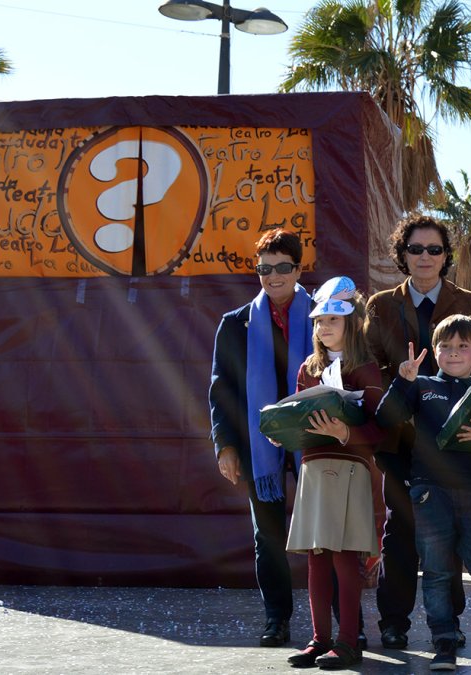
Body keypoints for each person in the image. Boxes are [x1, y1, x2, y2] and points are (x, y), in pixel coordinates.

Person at [366, 214, 471, 650]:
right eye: (416, 249)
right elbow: (369, 367)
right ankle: (393, 622)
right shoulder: (379, 304)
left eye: (434, 249)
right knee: (399, 533)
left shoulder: (467, 301)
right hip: (398, 438)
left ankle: (446, 625)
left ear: (446, 255)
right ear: (402, 255)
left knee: (445, 535)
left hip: (448, 439)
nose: (425, 257)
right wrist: (398, 382)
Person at [374, 315, 471, 671]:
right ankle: (444, 644)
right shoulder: (421, 386)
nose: (453, 353)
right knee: (437, 572)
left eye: (463, 347)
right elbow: (385, 418)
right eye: (445, 347)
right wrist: (402, 382)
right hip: (430, 493)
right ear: (434, 351)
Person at [208, 228, 312, 647]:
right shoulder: (236, 324)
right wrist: (226, 445)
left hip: (314, 436)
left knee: (328, 533)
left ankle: (344, 622)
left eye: (282, 267)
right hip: (258, 442)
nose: (273, 277)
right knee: (267, 537)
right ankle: (277, 619)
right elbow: (222, 389)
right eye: (264, 269)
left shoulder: (325, 314)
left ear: (298, 268)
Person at [283, 277, 384, 670]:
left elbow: (380, 429)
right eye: (319, 321)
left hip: (351, 470)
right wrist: (283, 431)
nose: (323, 328)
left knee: (345, 556)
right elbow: (298, 416)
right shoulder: (309, 368)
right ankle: (319, 638)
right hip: (313, 470)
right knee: (317, 557)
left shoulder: (367, 368)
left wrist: (346, 432)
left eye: (332, 320)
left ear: (352, 322)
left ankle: (347, 641)